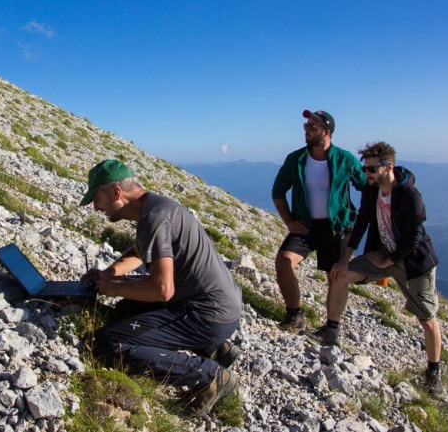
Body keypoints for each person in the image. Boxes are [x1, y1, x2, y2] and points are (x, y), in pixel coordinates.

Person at [79, 159, 243, 417]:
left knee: (109, 344)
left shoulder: (152, 218)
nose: (95, 206)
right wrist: (110, 275)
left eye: (96, 198)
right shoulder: (156, 207)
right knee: (125, 312)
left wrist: (113, 287)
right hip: (219, 305)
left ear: (115, 192)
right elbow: (142, 251)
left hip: (207, 314)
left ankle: (209, 376)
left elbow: (161, 290)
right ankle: (212, 347)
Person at [305, 142, 444, 396]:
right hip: (381, 255)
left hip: (413, 263)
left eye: (370, 169)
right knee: (339, 275)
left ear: (387, 167)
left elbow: (414, 237)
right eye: (364, 168)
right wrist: (345, 258)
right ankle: (331, 331)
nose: (365, 174)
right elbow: (363, 221)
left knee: (427, 319)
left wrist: (388, 261)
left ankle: (434, 374)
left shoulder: (409, 195)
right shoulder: (371, 190)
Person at [272, 110, 366, 332]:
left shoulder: (345, 159)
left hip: (336, 228)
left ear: (327, 131)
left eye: (312, 126)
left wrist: (358, 218)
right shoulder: (296, 159)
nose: (307, 130)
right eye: (306, 126)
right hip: (305, 226)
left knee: (335, 276)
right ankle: (295, 316)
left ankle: (331, 328)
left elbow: (367, 187)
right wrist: (289, 222)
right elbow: (278, 191)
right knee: (283, 262)